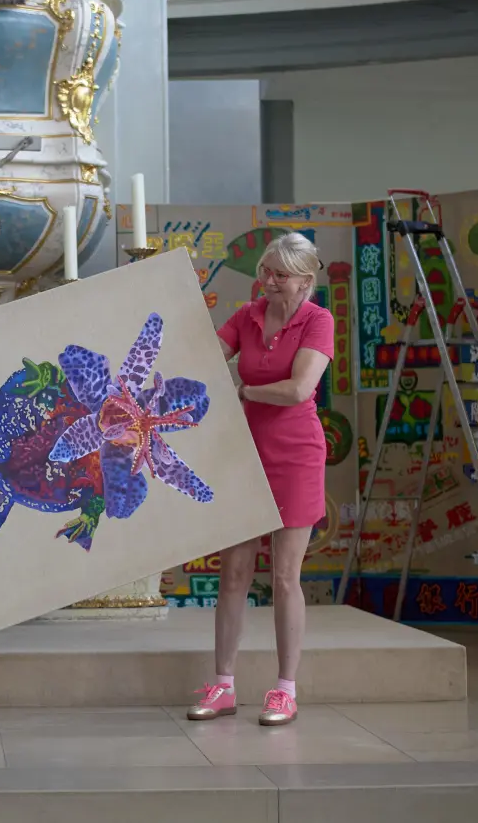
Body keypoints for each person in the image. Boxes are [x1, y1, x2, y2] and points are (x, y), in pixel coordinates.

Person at [188, 231, 332, 727]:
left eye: (279, 274)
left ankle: (285, 689)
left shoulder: (319, 321)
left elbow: (298, 390)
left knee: (286, 577)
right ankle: (223, 684)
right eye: (265, 270)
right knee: (233, 574)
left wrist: (245, 389)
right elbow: (205, 356)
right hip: (241, 457)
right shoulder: (246, 315)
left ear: (305, 281)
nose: (267, 280)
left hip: (295, 456)